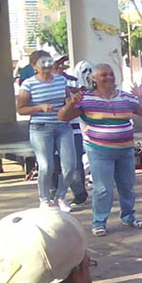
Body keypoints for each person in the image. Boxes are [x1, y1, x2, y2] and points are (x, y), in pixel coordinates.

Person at [59, 63, 142, 237]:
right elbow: (62, 117)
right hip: (99, 151)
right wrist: (70, 104)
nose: (109, 77)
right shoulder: (85, 99)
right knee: (102, 189)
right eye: (103, 75)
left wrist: (140, 96)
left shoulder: (126, 97)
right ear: (93, 79)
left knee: (127, 186)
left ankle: (129, 216)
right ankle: (99, 222)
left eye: (111, 74)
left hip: (125, 149)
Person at [17, 51, 77, 211]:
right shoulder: (28, 84)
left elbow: (67, 100)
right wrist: (40, 107)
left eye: (49, 62)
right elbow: (21, 109)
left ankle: (60, 197)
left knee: (70, 165)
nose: (47, 66)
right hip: (40, 128)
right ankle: (44, 199)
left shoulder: (61, 80)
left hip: (63, 126)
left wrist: (71, 103)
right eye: (42, 62)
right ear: (34, 66)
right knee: (46, 166)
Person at [51, 60, 89, 206]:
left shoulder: (73, 81)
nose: (60, 67)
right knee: (52, 164)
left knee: (74, 164)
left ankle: (79, 194)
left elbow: (81, 101)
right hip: (49, 130)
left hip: (72, 129)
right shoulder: (39, 84)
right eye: (56, 64)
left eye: (62, 64)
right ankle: (53, 195)